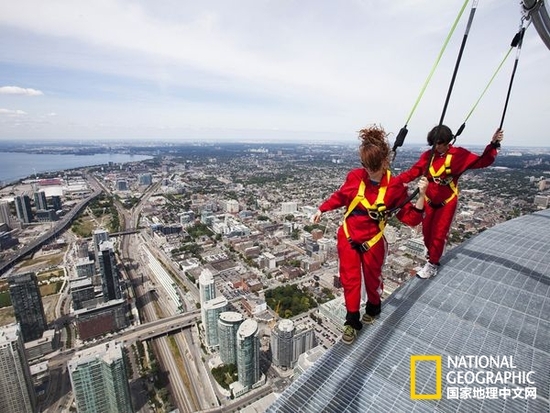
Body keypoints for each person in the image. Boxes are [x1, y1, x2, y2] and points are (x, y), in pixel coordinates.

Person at [311, 124, 428, 345]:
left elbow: (411, 218)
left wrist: (422, 195)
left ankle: (374, 307)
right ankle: (352, 321)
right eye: (367, 167)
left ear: (385, 162)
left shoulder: (394, 186)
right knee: (350, 280)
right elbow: (340, 196)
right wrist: (322, 209)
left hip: (373, 241)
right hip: (348, 237)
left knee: (373, 278)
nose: (371, 172)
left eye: (374, 167)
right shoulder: (355, 177)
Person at [398, 125, 504, 279]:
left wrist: (493, 144)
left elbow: (483, 161)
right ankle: (432, 254)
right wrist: (392, 183)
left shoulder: (458, 155)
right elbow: (412, 173)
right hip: (429, 200)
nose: (436, 148)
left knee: (439, 234)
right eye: (434, 145)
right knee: (427, 234)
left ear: (447, 142)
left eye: (439, 144)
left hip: (446, 202)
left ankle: (432, 264)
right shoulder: (428, 156)